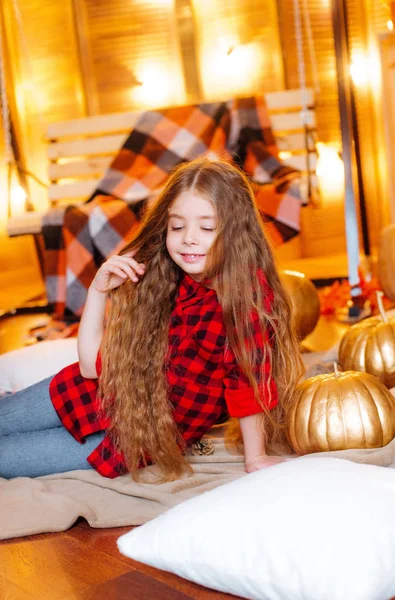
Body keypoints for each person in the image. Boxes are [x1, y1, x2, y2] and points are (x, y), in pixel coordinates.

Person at [0, 158, 303, 481]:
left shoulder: (247, 299)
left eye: (207, 227)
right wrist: (98, 289)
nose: (188, 238)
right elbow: (90, 368)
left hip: (126, 438)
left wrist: (255, 457)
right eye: (177, 226)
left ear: (236, 232)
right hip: (85, 392)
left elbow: (249, 381)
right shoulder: (165, 277)